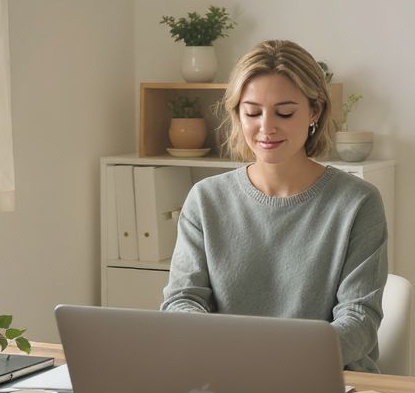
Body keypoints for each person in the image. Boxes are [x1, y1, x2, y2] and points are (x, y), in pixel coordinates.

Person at [162, 39, 388, 372]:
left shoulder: (357, 203)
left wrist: (277, 361)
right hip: (224, 379)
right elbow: (182, 301)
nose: (266, 127)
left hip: (324, 380)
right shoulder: (205, 199)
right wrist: (225, 354)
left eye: (284, 112)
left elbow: (359, 320)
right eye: (252, 112)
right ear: (237, 113)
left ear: (315, 111)